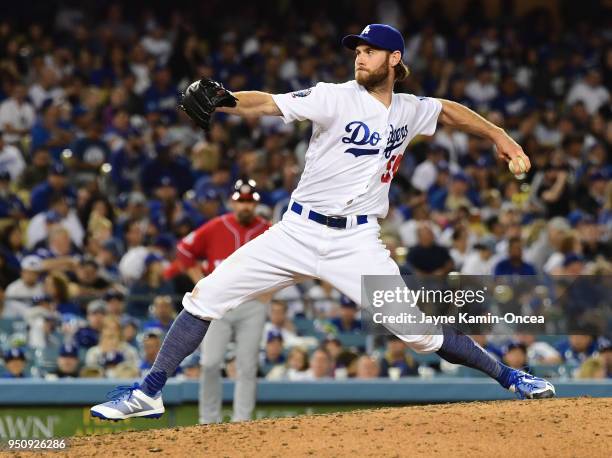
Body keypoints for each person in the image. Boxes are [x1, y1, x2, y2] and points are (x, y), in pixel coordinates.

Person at [91, 23, 554, 421]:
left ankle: (510, 375)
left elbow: (449, 109)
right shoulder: (333, 97)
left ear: (394, 58)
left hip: (357, 242)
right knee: (205, 295)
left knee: (417, 333)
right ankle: (147, 393)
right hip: (297, 232)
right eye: (357, 51)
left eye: (369, 51)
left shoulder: (410, 109)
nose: (360, 57)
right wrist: (227, 100)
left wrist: (500, 136)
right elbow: (268, 103)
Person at [164, 179, 270, 423]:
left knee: (247, 366)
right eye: (241, 201)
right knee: (210, 363)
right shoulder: (215, 227)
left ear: (256, 205)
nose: (245, 206)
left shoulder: (268, 229)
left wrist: (270, 293)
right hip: (218, 306)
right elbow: (184, 251)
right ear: (233, 202)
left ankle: (242, 421)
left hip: (252, 304)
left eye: (250, 202)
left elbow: (292, 260)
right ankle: (208, 420)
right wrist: (201, 282)